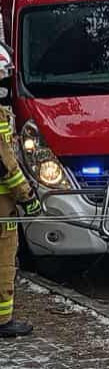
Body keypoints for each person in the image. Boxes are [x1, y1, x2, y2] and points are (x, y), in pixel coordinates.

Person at [0, 45, 39, 337]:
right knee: (4, 262)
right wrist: (27, 197)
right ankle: (3, 321)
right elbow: (6, 166)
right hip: (3, 208)